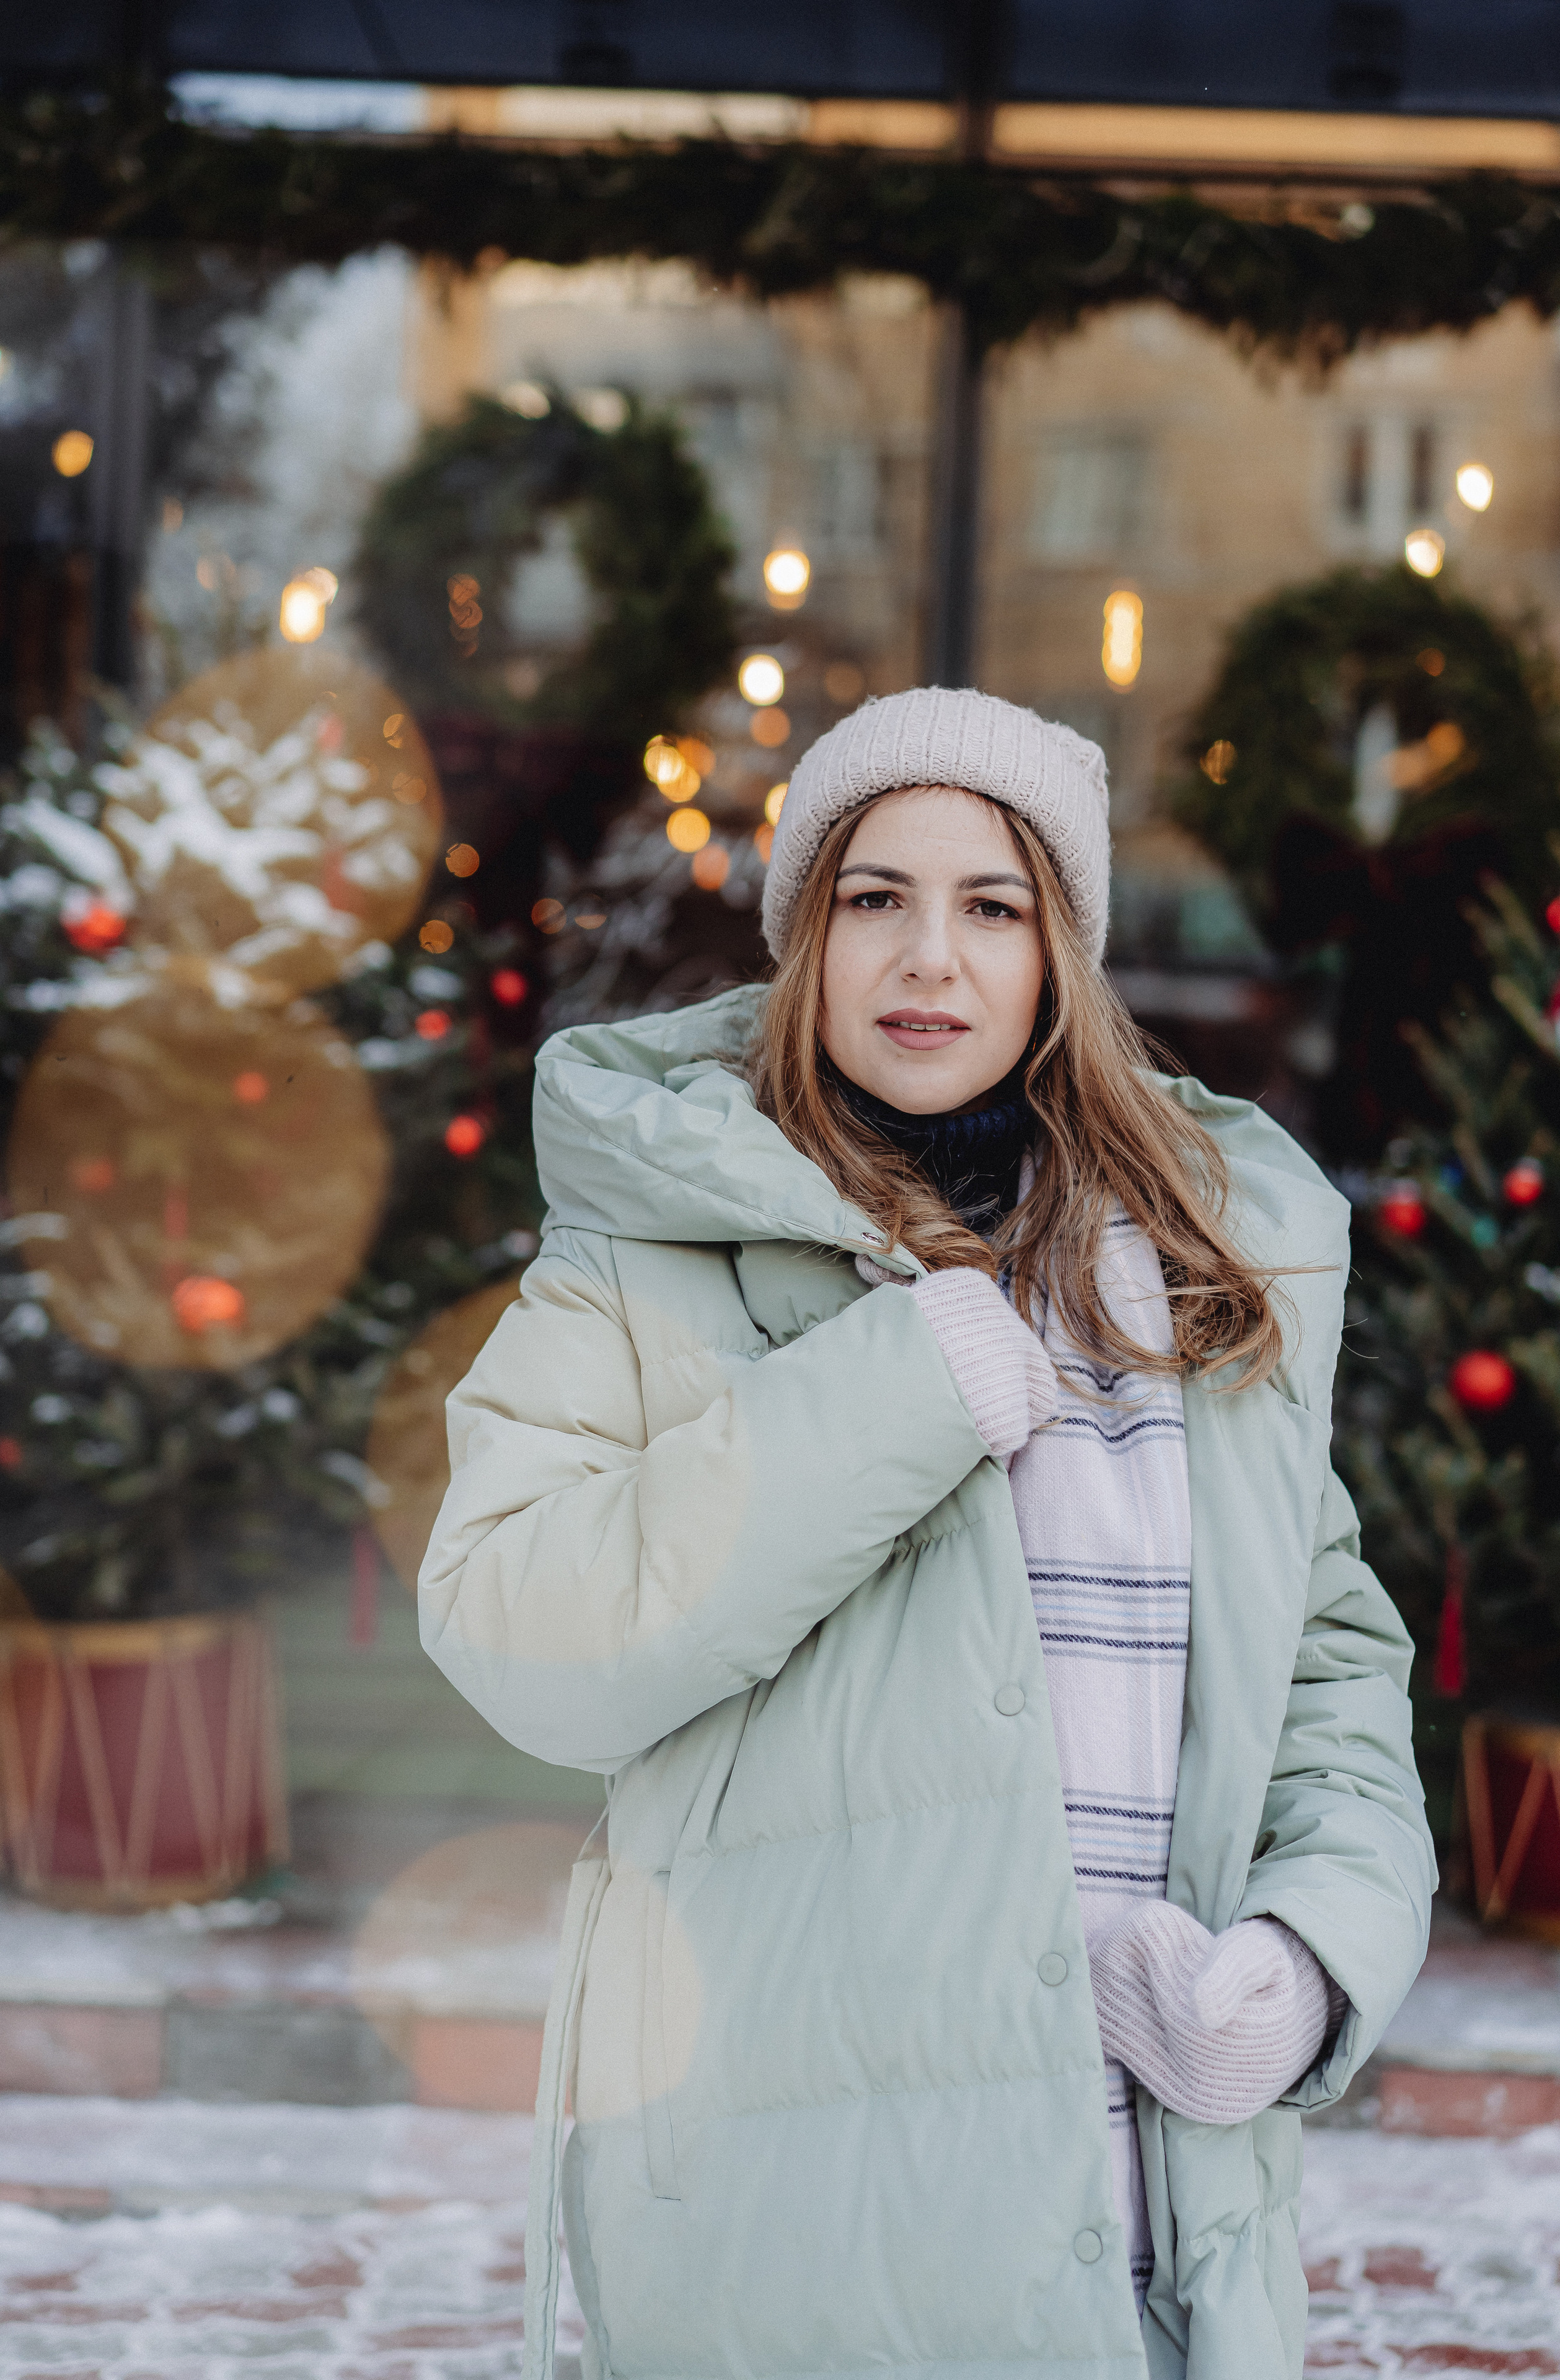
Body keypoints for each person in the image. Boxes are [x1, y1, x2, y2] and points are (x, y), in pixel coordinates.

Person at [419, 688, 1434, 2380]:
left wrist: (1314, 1953)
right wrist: (892, 1392)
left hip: (1147, 2218)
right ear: (807, 932)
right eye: (875, 896)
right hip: (792, 2223)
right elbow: (519, 1623)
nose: (928, 959)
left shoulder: (1199, 1275)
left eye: (994, 905)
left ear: (1061, 958)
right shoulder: (654, 1250)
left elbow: (1330, 1681)